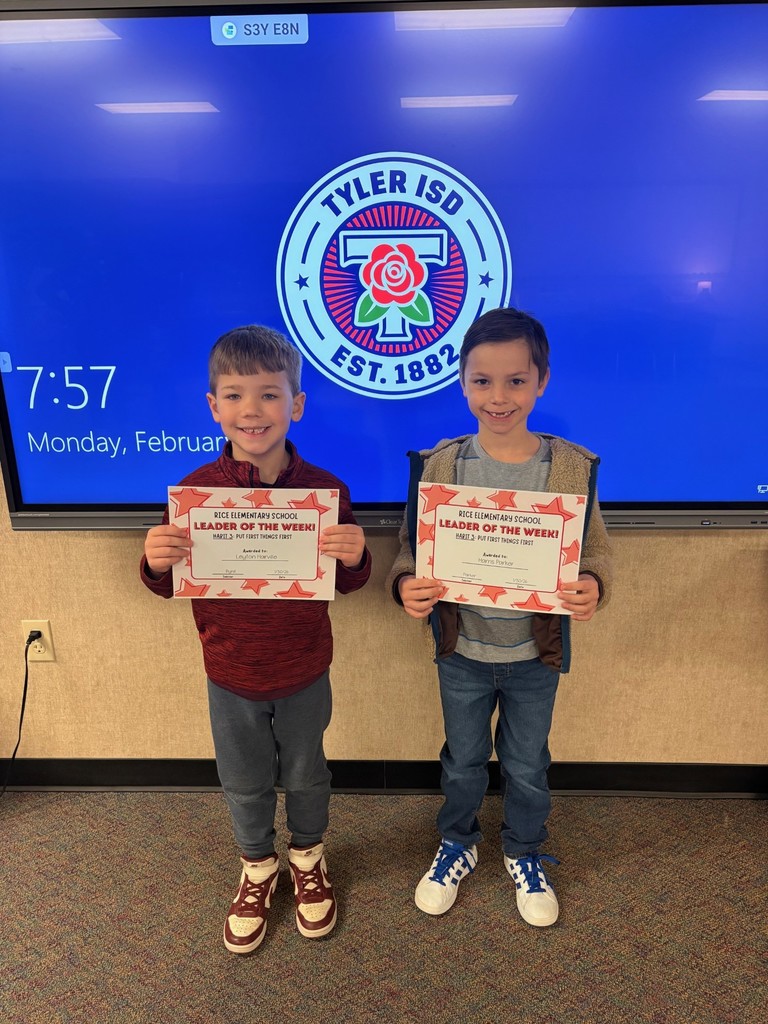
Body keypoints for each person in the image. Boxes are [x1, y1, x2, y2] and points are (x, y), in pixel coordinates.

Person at [140, 324, 371, 953]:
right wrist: (157, 561)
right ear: (213, 406)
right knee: (242, 779)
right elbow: (166, 585)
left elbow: (349, 583)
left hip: (304, 668)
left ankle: (307, 856)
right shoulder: (193, 494)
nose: (252, 411)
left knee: (306, 773)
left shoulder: (326, 491)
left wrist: (354, 555)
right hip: (229, 671)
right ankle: (257, 867)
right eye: (235, 396)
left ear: (296, 404)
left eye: (269, 395)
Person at [387, 307, 612, 928]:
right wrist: (406, 584)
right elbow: (410, 551)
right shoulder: (442, 464)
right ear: (462, 383)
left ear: (541, 381)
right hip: (463, 652)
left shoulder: (569, 468)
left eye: (516, 380)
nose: (499, 396)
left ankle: (525, 848)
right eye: (482, 381)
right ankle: (457, 841)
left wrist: (592, 584)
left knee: (527, 761)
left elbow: (594, 553)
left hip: (534, 656)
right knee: (461, 758)